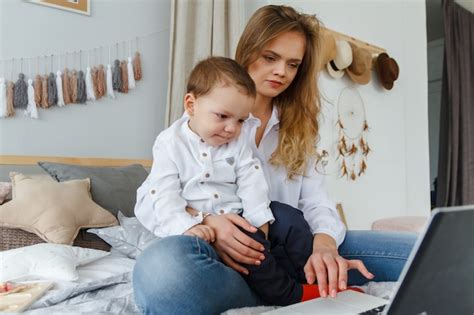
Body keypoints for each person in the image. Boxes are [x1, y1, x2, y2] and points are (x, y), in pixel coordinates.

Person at [133, 4, 416, 314]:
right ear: (248, 50)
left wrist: (324, 246)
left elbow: (317, 203)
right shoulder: (201, 123)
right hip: (220, 252)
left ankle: (290, 289)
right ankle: (277, 294)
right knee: (161, 268)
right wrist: (208, 222)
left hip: (293, 244)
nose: (282, 71)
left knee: (426, 251)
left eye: (293, 64)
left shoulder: (297, 125)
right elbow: (152, 200)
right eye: (270, 58)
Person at [134, 56, 358, 306]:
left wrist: (259, 220)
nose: (232, 129)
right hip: (205, 226)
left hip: (241, 214)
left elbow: (251, 179)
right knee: (251, 250)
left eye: (240, 121)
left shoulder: (237, 141)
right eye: (222, 117)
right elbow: (162, 194)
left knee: (291, 219)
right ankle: (289, 294)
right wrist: (187, 225)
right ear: (191, 105)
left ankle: (316, 279)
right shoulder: (169, 144)